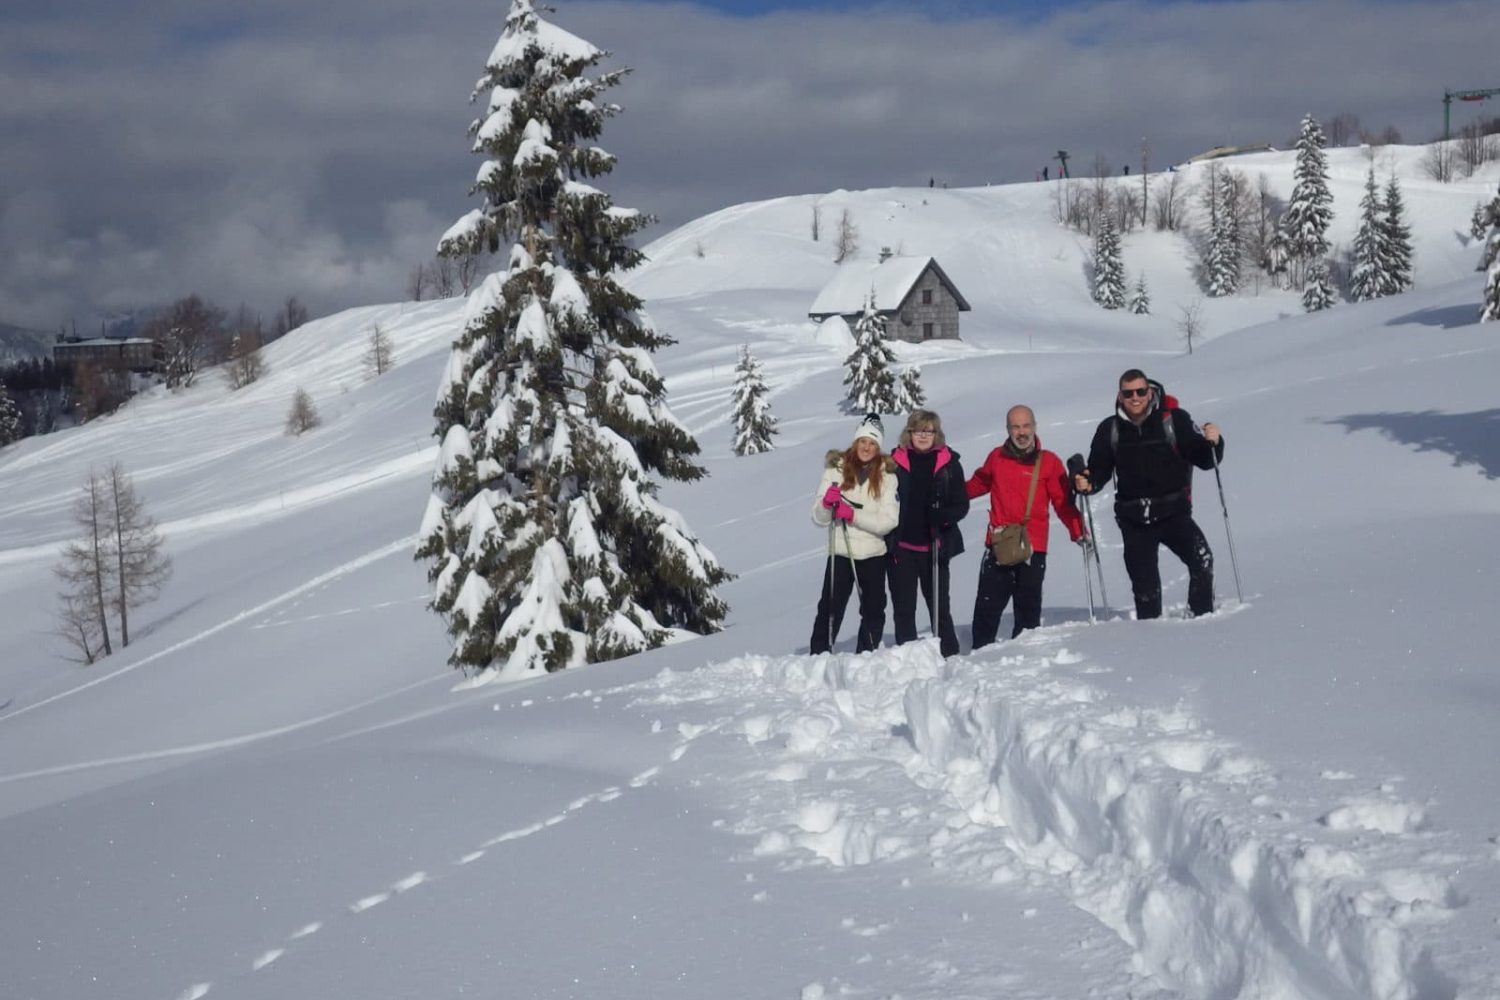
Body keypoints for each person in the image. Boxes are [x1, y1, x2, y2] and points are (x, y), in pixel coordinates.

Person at [1073, 369, 1224, 619]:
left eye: (1140, 391)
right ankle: (1149, 635)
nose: (1135, 398)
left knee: (1202, 561)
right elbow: (1099, 470)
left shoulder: (1174, 420)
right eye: (1128, 393)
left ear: (1150, 392)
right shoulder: (1110, 429)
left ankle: (1201, 619)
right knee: (1145, 589)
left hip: (1174, 513)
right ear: (1120, 396)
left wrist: (1214, 442)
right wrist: (1087, 482)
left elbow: (1205, 459)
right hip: (1134, 519)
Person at [966, 405, 1086, 647]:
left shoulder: (1049, 462)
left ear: (1034, 427)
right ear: (1008, 430)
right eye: (1016, 427)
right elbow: (978, 484)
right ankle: (980, 657)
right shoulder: (997, 457)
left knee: (1028, 614)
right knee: (986, 611)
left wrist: (1078, 530)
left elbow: (1063, 503)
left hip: (1033, 547)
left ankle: (1023, 660)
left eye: (1026, 426)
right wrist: (949, 495)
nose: (1021, 432)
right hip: (999, 544)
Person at [809, 414, 899, 653]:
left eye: (873, 443)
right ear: (855, 441)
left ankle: (866, 656)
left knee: (874, 609)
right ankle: (818, 656)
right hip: (841, 551)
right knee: (830, 607)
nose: (867, 447)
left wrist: (853, 515)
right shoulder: (835, 471)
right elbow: (818, 518)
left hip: (873, 553)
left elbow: (888, 521)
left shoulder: (888, 476)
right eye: (863, 441)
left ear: (878, 447)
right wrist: (826, 505)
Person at [887, 410, 969, 657]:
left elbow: (961, 504)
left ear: (936, 434)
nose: (923, 436)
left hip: (935, 547)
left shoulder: (949, 464)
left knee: (939, 608)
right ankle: (909, 659)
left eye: (928, 431)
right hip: (902, 547)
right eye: (918, 431)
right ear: (909, 433)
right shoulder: (893, 462)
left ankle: (949, 655)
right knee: (904, 609)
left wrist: (943, 515)